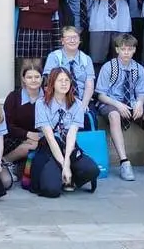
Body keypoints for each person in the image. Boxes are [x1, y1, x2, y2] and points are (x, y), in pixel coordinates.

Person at [95, 33, 144, 182]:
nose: (126, 52)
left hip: (132, 102)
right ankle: (124, 161)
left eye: (129, 49)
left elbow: (142, 93)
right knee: (115, 115)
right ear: (117, 50)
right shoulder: (109, 67)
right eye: (123, 49)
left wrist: (140, 103)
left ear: (134, 50)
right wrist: (117, 105)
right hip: (111, 102)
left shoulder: (139, 69)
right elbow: (101, 95)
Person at [31, 67, 100, 197]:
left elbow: (71, 135)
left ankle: (70, 178)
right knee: (51, 190)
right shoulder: (41, 104)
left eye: (67, 80)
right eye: (60, 80)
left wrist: (67, 162)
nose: (64, 83)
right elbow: (50, 137)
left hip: (68, 146)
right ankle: (62, 176)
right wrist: (64, 166)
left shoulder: (77, 104)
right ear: (52, 83)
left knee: (92, 170)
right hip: (49, 148)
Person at [2, 59, 44, 174]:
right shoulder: (13, 97)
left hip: (42, 136)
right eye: (29, 77)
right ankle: (4, 162)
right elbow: (7, 126)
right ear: (24, 79)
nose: (34, 80)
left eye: (37, 77)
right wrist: (28, 134)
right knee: (33, 145)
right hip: (15, 137)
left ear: (42, 78)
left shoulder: (48, 98)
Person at [43, 26, 95, 113]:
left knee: (89, 119)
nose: (72, 41)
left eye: (75, 37)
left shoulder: (86, 59)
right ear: (62, 41)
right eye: (68, 38)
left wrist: (83, 105)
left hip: (82, 100)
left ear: (79, 40)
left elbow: (89, 85)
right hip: (59, 100)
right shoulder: (54, 57)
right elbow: (49, 82)